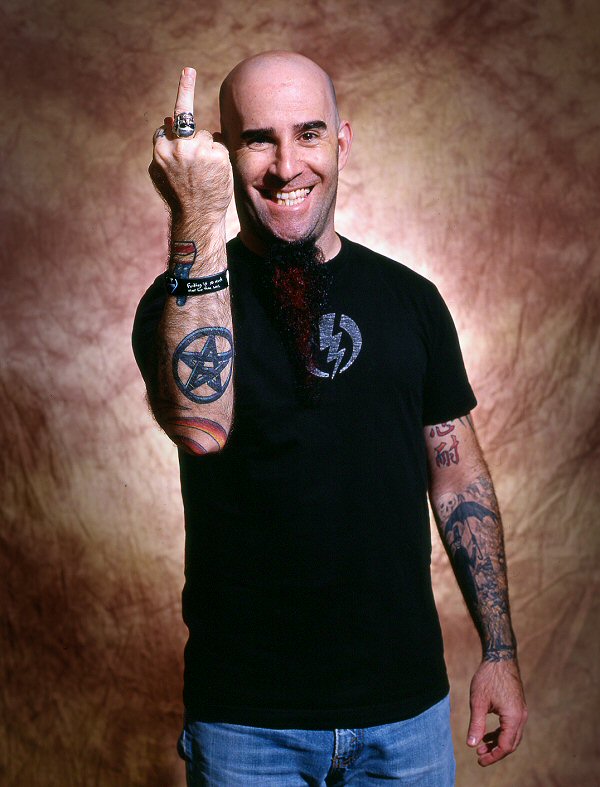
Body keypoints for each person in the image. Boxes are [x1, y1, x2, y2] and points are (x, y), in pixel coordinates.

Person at [133, 51, 527, 786]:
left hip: (406, 716)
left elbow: (458, 480)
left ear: (341, 142)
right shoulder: (178, 304)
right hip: (248, 722)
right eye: (258, 139)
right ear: (222, 152)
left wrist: (499, 651)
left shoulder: (412, 300)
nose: (287, 166)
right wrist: (197, 212)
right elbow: (200, 426)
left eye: (309, 134)